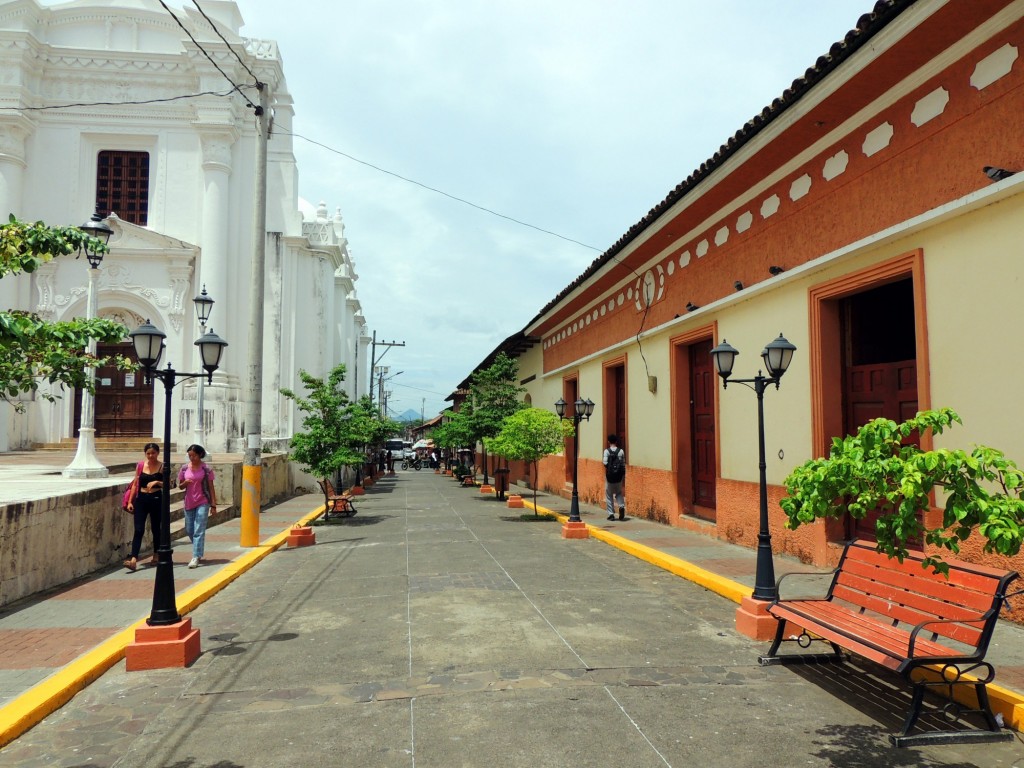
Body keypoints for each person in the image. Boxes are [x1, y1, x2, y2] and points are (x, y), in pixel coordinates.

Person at [124, 442, 164, 571]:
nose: (151, 456)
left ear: (158, 453)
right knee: (139, 529)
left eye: (153, 453)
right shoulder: (141, 465)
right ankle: (134, 559)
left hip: (156, 499)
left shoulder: (162, 466)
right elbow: (135, 484)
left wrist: (157, 482)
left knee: (155, 528)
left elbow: (170, 484)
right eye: (148, 453)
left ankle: (156, 554)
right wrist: (130, 501)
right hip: (142, 499)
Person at [177, 444, 217, 569]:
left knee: (199, 529)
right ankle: (198, 548)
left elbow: (211, 487)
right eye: (189, 456)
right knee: (189, 529)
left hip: (202, 501)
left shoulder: (206, 469)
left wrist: (213, 504)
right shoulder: (184, 469)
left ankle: (195, 556)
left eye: (193, 455)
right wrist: (185, 483)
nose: (191, 458)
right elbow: (180, 486)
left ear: (200, 455)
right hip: (189, 502)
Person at [602, 434, 626, 521]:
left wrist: (610, 469)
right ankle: (621, 506)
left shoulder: (607, 451)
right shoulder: (621, 451)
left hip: (610, 476)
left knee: (609, 494)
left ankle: (611, 514)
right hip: (619, 476)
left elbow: (605, 463)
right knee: (619, 492)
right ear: (616, 441)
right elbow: (623, 463)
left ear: (608, 441)